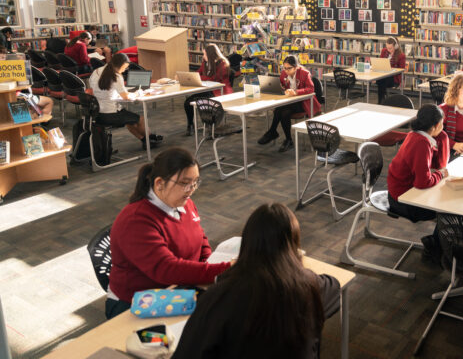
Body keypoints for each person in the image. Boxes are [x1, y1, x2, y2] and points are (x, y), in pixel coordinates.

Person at [173, 203, 340, 358]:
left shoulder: (218, 298)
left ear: (247, 244)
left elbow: (187, 352)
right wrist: (299, 271)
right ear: (293, 246)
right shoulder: (311, 286)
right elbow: (335, 285)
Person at [106, 147, 231, 319]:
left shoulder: (184, 203)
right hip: (137, 302)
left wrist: (208, 265)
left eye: (196, 182)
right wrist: (223, 270)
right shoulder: (136, 220)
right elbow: (165, 268)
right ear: (159, 183)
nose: (192, 189)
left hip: (178, 288)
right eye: (185, 183)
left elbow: (200, 239)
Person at [387, 104, 450, 259]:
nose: (443, 127)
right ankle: (434, 248)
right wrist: (440, 175)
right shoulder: (422, 143)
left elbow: (439, 164)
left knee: (446, 200)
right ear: (435, 126)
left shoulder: (414, 135)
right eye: (442, 124)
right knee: (449, 210)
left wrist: (443, 137)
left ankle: (435, 245)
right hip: (403, 201)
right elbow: (423, 182)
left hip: (400, 192)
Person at [89, 53, 162, 149]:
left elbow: (96, 90)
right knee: (140, 119)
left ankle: (146, 140)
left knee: (129, 120)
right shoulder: (116, 76)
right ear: (121, 65)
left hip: (97, 113)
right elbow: (126, 97)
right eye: (125, 67)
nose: (124, 70)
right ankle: (150, 139)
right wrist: (138, 93)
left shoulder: (96, 71)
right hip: (110, 114)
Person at [257, 55, 321, 153]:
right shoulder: (283, 73)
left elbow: (311, 89)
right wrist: (281, 87)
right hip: (289, 102)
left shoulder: (305, 73)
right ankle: (287, 139)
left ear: (296, 67)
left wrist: (296, 92)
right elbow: (282, 84)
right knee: (284, 112)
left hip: (303, 102)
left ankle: (273, 132)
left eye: (289, 68)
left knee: (280, 109)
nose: (286, 71)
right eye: (284, 68)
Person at [183, 44, 233, 135]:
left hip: (219, 92)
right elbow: (198, 74)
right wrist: (190, 76)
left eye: (205, 54)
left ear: (211, 55)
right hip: (208, 90)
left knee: (202, 103)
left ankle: (211, 126)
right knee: (187, 102)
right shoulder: (205, 62)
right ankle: (190, 125)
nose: (203, 56)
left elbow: (213, 78)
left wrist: (201, 78)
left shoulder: (223, 63)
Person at [376, 37, 406, 104]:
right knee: (381, 80)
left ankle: (381, 102)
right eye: (387, 48)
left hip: (394, 78)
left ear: (396, 46)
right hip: (383, 75)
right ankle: (382, 101)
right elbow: (381, 63)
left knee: (380, 81)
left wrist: (392, 70)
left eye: (390, 48)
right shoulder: (384, 51)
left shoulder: (401, 56)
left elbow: (402, 70)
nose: (388, 50)